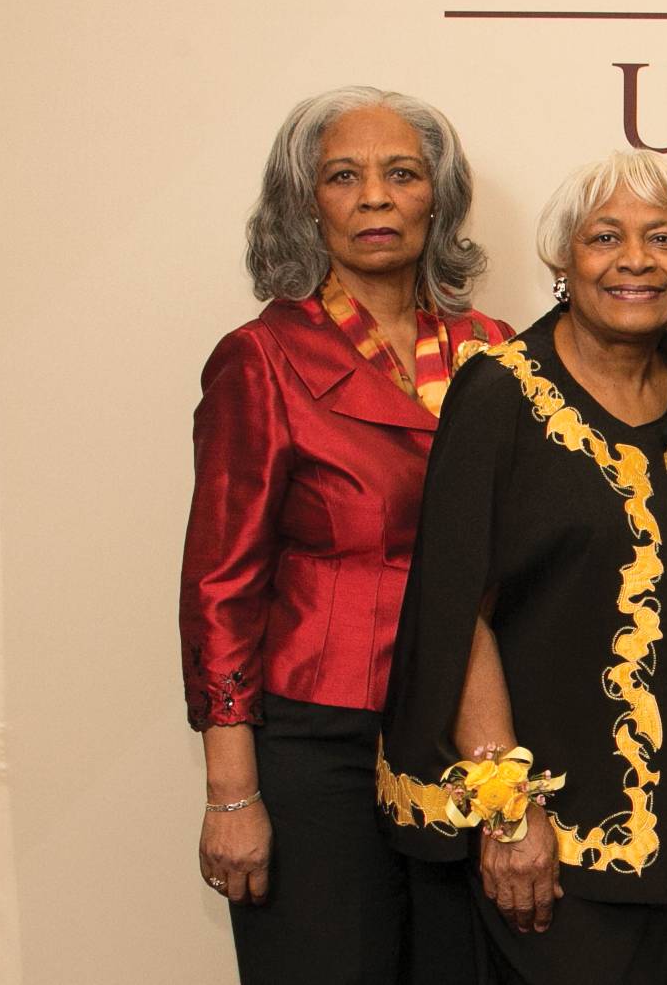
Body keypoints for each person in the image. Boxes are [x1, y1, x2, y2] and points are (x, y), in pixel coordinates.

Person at [179, 86, 510, 983]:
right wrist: (232, 792)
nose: (374, 197)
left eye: (401, 174)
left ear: (436, 197)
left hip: (464, 739)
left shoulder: (497, 351)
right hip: (318, 744)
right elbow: (220, 589)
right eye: (343, 176)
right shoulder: (262, 357)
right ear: (304, 203)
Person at [375, 149, 667, 983]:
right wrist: (509, 814)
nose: (635, 260)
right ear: (564, 260)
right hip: (549, 828)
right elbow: (460, 609)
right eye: (606, 236)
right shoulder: (500, 391)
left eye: (662, 238)